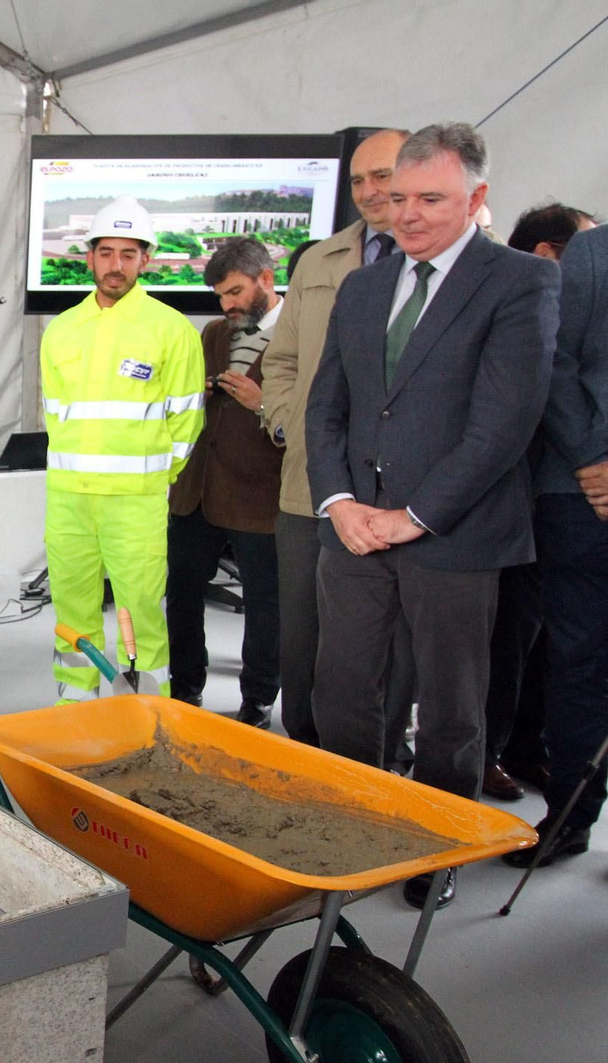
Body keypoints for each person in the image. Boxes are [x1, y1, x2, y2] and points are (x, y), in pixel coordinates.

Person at [306, 123, 559, 909]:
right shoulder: (364, 285)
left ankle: (436, 845)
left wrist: (414, 514)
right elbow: (328, 407)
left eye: (430, 199)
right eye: (396, 197)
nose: (406, 213)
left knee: (451, 708)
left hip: (455, 534)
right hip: (353, 529)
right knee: (342, 690)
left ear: (476, 198)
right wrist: (342, 501)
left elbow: (502, 426)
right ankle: (354, 822)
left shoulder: (519, 283)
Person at [261, 128, 418, 755]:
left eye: (383, 176)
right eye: (358, 180)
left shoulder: (449, 264)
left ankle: (377, 761)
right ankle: (303, 752)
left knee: (389, 641)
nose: (370, 191)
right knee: (302, 634)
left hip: (400, 493)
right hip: (310, 484)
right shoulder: (320, 260)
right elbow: (283, 360)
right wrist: (284, 423)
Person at [40, 196, 204, 701]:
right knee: (72, 603)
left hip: (136, 499)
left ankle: (143, 703)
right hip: (69, 497)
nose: (116, 265)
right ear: (90, 257)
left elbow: (187, 420)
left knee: (138, 606)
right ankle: (74, 695)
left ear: (145, 260)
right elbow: (55, 415)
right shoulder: (62, 328)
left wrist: (153, 475)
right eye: (106, 252)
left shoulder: (171, 329)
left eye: (128, 254)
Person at [482, 203, 599, 801]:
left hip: (560, 502)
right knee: (508, 639)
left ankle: (530, 750)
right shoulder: (513, 303)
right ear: (548, 255)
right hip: (512, 505)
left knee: (551, 642)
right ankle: (486, 753)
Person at [502, 221, 608, 869]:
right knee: (579, 661)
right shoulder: (594, 252)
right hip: (581, 494)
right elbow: (554, 357)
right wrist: (593, 458)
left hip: (580, 489)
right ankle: (569, 812)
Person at [166, 238, 283, 727]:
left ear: (267, 280)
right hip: (196, 492)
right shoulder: (213, 333)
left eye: (234, 292)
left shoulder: (299, 336)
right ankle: (185, 688)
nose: (227, 304)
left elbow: (309, 417)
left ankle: (257, 699)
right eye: (220, 295)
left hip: (260, 498)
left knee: (264, 604)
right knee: (183, 592)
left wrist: (262, 403)